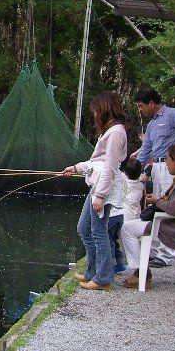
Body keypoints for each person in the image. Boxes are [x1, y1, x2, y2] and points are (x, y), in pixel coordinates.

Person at [62, 92, 127, 291]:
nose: (95, 115)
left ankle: (103, 278)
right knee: (84, 229)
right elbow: (97, 161)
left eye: (97, 110)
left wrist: (100, 195)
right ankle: (92, 272)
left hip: (102, 189)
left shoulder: (116, 132)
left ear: (106, 109)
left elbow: (110, 166)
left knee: (99, 232)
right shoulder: (109, 132)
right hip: (96, 186)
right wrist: (76, 167)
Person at [132, 87, 175, 267]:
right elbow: (146, 148)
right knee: (158, 207)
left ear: (151, 103)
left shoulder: (173, 114)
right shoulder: (151, 124)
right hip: (157, 166)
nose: (140, 110)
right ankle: (155, 250)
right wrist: (132, 169)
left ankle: (167, 254)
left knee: (169, 208)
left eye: (141, 106)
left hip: (173, 166)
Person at [120, 144, 175, 290]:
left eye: (167, 160)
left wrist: (156, 201)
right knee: (129, 229)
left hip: (174, 227)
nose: (165, 163)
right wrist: (158, 200)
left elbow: (174, 209)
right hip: (171, 222)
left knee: (126, 229)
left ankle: (142, 273)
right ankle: (142, 271)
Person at [122, 158, 144, 222]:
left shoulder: (123, 181)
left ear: (125, 173)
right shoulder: (141, 186)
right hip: (137, 216)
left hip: (125, 216)